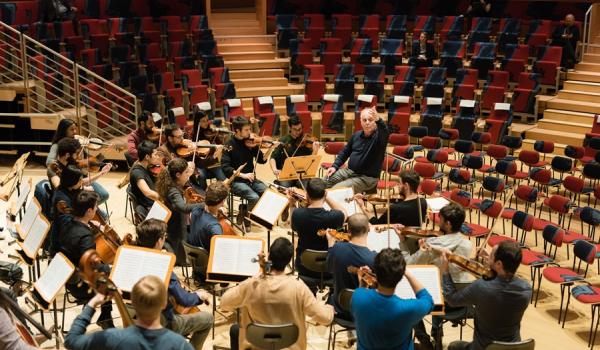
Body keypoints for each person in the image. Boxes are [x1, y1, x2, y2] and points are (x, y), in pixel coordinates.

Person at [220, 237, 334, 350]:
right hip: (290, 346)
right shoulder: (299, 288)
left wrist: (249, 283)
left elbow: (224, 302)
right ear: (289, 261)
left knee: (236, 330)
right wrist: (330, 307)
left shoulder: (252, 285)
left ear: (269, 256)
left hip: (257, 346)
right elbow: (325, 318)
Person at [400, 203, 473, 347]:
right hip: (461, 301)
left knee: (407, 300)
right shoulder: (467, 244)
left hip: (440, 301)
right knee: (437, 281)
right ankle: (436, 331)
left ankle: (424, 339)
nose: (437, 222)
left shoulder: (432, 244)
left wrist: (403, 243)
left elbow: (408, 263)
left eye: (440, 219)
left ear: (448, 223)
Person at [135, 219, 213, 350]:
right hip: (163, 322)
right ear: (159, 241)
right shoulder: (162, 265)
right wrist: (199, 295)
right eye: (164, 236)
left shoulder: (135, 257)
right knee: (207, 318)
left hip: (139, 317)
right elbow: (184, 300)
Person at [441, 241, 532, 350]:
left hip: (484, 347)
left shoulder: (481, 287)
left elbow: (452, 299)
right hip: (513, 347)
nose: (489, 256)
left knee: (454, 346)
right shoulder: (526, 289)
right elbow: (504, 279)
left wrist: (445, 271)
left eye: (492, 255)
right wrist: (491, 261)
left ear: (499, 264)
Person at [64, 275, 194, 350]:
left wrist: (93, 303)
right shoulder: (180, 344)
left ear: (133, 302)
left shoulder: (112, 338)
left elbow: (71, 341)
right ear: (164, 304)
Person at [351, 248, 434, 350]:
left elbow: (361, 295)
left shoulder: (357, 296)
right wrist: (408, 273)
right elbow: (428, 300)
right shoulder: (408, 308)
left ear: (376, 272)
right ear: (400, 276)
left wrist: (362, 282)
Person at [57, 191, 113, 329]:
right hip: (80, 286)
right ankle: (105, 317)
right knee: (110, 278)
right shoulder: (85, 237)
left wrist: (90, 227)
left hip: (68, 277)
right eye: (95, 208)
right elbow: (92, 269)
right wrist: (111, 269)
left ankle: (105, 317)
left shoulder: (67, 223)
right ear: (89, 211)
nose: (96, 210)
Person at [290, 178, 346, 283]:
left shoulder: (297, 214)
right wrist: (327, 196)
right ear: (324, 194)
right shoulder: (334, 217)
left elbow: (293, 227)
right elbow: (343, 212)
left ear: (307, 195)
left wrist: (292, 204)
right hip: (328, 267)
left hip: (304, 266)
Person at [221, 117, 273, 227]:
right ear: (237, 131)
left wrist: (271, 148)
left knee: (267, 193)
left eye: (250, 129)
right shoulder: (229, 145)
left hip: (251, 179)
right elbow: (226, 168)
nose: (250, 132)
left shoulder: (250, 143)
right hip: (236, 181)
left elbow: (261, 160)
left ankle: (244, 210)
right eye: (246, 130)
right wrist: (243, 175)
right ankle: (247, 219)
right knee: (254, 198)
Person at [46, 118, 111, 205]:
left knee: (103, 194)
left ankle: (89, 207)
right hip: (72, 183)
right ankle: (85, 208)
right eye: (72, 129)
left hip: (81, 178)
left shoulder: (76, 144)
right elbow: (49, 162)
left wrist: (103, 156)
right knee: (98, 196)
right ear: (63, 130)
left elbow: (88, 160)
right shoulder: (57, 146)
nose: (75, 132)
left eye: (76, 129)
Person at [325, 107, 388, 194]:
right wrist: (334, 166)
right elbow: (345, 152)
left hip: (367, 178)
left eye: (370, 120)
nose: (367, 122)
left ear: (375, 122)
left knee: (338, 189)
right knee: (325, 181)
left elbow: (385, 132)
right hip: (349, 171)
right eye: (364, 120)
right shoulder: (356, 135)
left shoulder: (379, 138)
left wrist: (378, 119)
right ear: (360, 121)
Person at [325, 213, 376, 320]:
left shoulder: (337, 248)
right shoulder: (374, 258)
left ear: (348, 229)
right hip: (363, 313)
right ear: (368, 229)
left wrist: (330, 244)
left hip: (339, 308)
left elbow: (329, 269)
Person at [155, 158, 203, 265]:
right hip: (176, 224)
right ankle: (177, 255)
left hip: (177, 220)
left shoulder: (173, 182)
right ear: (177, 175)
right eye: (186, 172)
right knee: (183, 250)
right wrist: (206, 205)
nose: (188, 174)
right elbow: (183, 207)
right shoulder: (173, 190)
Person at [355, 170, 428, 227]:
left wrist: (362, 206)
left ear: (406, 186)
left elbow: (376, 223)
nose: (397, 185)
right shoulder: (423, 202)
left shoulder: (396, 208)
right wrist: (365, 198)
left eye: (399, 183)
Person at [270, 115, 320, 188]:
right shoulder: (284, 140)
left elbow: (311, 161)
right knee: (285, 187)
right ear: (290, 128)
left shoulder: (306, 140)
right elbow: (273, 157)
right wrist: (274, 169)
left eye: (299, 129)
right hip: (287, 174)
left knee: (307, 186)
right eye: (295, 129)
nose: (298, 132)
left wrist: (315, 150)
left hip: (301, 174)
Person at [188, 181, 230, 252]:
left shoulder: (195, 210)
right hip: (206, 259)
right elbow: (219, 251)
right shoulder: (214, 227)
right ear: (222, 202)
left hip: (194, 253)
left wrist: (218, 209)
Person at [190, 110, 227, 188]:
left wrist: (220, 147)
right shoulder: (193, 135)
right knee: (201, 176)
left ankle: (220, 196)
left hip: (213, 163)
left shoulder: (212, 132)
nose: (206, 123)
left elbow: (220, 144)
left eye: (207, 120)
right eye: (203, 121)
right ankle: (204, 196)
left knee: (223, 180)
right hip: (200, 164)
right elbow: (196, 159)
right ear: (197, 122)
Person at [129, 141, 161, 217]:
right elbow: (148, 192)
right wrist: (164, 198)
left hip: (154, 204)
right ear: (147, 157)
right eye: (155, 155)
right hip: (150, 208)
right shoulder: (137, 172)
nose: (158, 157)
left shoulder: (147, 167)